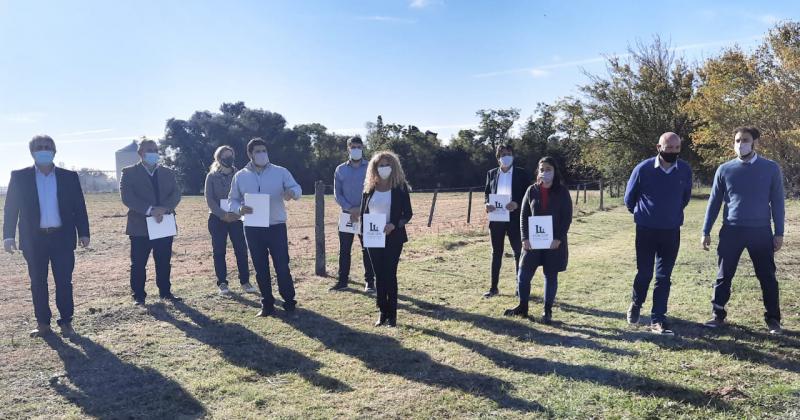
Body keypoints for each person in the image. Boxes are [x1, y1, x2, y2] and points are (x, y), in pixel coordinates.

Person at [3, 135, 90, 337]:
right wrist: (8, 236)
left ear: (54, 150)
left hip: (62, 238)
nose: (44, 150)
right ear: (32, 151)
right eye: (40, 147)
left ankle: (66, 321)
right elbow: (10, 209)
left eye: (48, 147)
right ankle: (43, 323)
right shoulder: (19, 177)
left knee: (64, 281)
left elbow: (79, 207)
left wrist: (84, 232)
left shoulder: (69, 177)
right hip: (34, 240)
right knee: (38, 282)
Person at [701, 127, 785, 334]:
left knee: (767, 277)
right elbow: (714, 202)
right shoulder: (724, 169)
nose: (740, 144)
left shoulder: (771, 168)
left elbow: (777, 203)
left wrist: (779, 232)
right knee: (724, 275)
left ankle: (773, 319)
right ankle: (717, 315)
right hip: (732, 230)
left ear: (755, 142)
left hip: (761, 231)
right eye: (737, 140)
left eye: (745, 140)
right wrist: (706, 231)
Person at [623, 132, 692, 335]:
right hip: (645, 230)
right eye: (668, 147)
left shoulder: (685, 170)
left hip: (671, 231)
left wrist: (670, 214)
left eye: (676, 148)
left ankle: (657, 319)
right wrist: (644, 215)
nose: (672, 151)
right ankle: (636, 303)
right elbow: (629, 199)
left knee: (664, 277)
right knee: (644, 273)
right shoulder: (643, 169)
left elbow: (685, 198)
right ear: (658, 147)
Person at [229, 138, 302, 317]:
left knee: (282, 266)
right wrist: (239, 209)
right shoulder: (241, 175)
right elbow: (232, 199)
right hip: (253, 228)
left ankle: (289, 301)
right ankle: (267, 303)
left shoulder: (280, 171)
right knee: (260, 267)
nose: (262, 154)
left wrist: (291, 193)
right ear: (250, 154)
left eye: (264, 150)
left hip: (276, 226)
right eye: (257, 151)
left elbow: (296, 187)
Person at [503, 157, 572, 324]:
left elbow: (567, 218)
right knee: (523, 274)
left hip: (553, 243)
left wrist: (558, 238)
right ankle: (522, 307)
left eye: (548, 169)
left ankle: (547, 311)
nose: (544, 172)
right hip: (533, 242)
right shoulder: (531, 190)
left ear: (555, 172)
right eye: (542, 169)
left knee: (550, 275)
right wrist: (524, 238)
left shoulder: (562, 192)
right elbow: (523, 216)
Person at [120, 139, 182, 305]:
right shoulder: (129, 172)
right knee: (138, 263)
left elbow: (176, 194)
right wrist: (150, 210)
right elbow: (127, 197)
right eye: (149, 150)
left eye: (155, 149)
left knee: (163, 261)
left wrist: (164, 208)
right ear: (140, 153)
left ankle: (165, 292)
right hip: (140, 225)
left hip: (164, 221)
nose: (153, 152)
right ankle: (139, 296)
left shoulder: (168, 173)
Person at [359, 151, 412, 327]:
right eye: (380, 165)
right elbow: (362, 214)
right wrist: (363, 235)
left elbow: (408, 214)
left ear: (394, 167)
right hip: (373, 237)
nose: (384, 168)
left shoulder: (400, 188)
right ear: (374, 168)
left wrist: (394, 224)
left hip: (393, 236)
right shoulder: (369, 189)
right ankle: (382, 311)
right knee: (378, 275)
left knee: (390, 274)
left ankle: (393, 315)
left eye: (387, 165)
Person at [204, 145, 256, 297]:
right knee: (219, 251)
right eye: (225, 156)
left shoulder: (240, 174)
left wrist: (237, 213)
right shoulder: (211, 176)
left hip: (237, 217)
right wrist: (222, 215)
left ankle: (245, 281)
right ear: (218, 158)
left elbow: (245, 194)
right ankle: (222, 283)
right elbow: (209, 199)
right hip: (217, 218)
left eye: (230, 155)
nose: (228, 159)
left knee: (241, 250)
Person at [483, 144, 530, 298]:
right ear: (498, 158)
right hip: (496, 219)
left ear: (513, 155)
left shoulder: (521, 174)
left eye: (509, 153)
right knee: (496, 253)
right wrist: (486, 204)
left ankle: (519, 287)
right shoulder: (491, 174)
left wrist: (516, 203)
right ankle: (493, 288)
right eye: (503, 154)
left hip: (515, 219)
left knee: (518, 253)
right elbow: (487, 194)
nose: (506, 156)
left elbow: (528, 195)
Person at [329, 136, 374, 292]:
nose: (356, 149)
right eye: (353, 147)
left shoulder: (370, 167)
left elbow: (373, 190)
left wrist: (360, 209)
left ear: (362, 148)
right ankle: (342, 282)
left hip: (367, 214)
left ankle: (370, 282)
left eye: (359, 147)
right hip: (347, 214)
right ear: (348, 148)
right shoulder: (340, 169)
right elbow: (337, 193)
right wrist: (350, 208)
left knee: (368, 248)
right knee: (344, 250)